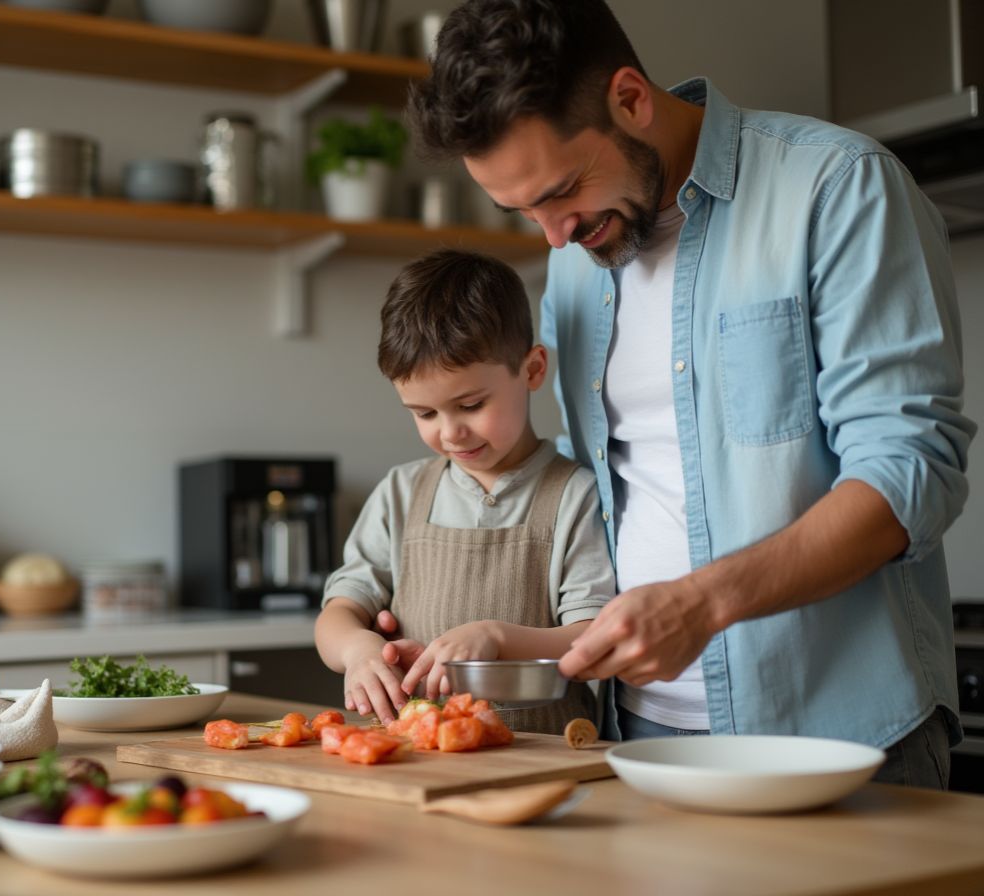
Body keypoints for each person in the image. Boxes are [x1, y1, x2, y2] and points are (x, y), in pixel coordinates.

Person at [405, 0, 975, 787]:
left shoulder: (836, 188)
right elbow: (589, 495)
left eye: (561, 190)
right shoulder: (579, 254)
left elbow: (912, 471)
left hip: (836, 736)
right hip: (630, 740)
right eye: (521, 209)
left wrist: (704, 604)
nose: (552, 235)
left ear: (631, 99)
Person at [314, 248, 615, 733]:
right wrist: (356, 648)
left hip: (542, 757)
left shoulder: (573, 495)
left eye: (471, 404)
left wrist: (495, 636)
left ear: (533, 369)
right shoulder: (401, 492)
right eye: (425, 414)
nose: (450, 433)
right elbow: (339, 612)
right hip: (417, 756)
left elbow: (593, 637)